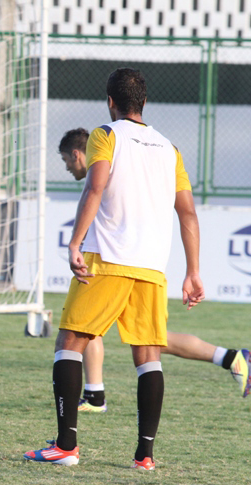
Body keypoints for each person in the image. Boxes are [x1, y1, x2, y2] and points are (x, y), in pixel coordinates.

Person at [25, 68, 204, 469]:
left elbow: (96, 185)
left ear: (110, 101)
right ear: (143, 102)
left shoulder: (106, 135)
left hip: (107, 258)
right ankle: (145, 455)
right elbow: (188, 212)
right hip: (152, 267)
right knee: (148, 356)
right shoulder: (168, 147)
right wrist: (193, 271)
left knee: (70, 343)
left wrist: (74, 241)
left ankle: (66, 445)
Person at [58, 128, 251, 412]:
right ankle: (231, 357)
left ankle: (96, 398)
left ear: (77, 154)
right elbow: (186, 211)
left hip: (117, 263)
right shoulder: (161, 153)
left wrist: (76, 243)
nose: (67, 167)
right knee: (150, 342)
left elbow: (96, 192)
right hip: (145, 265)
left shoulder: (108, 159)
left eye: (66, 161)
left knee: (94, 333)